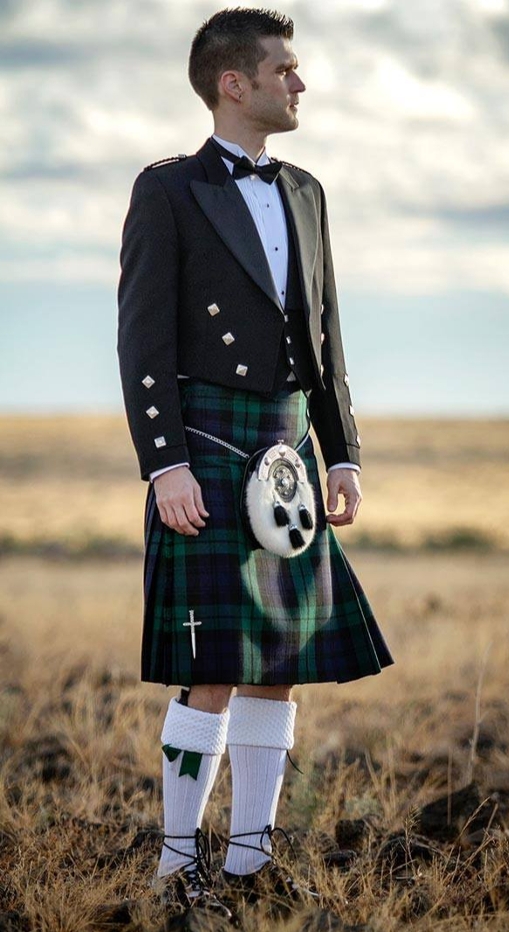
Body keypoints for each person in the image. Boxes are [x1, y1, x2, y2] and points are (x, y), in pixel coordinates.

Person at [117, 7, 393, 916]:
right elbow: (143, 340)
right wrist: (165, 465)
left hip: (288, 445)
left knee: (278, 661)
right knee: (213, 666)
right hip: (207, 439)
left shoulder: (308, 190)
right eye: (286, 68)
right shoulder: (168, 191)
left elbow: (328, 336)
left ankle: (247, 860)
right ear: (233, 83)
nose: (300, 83)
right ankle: (173, 863)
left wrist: (340, 451)